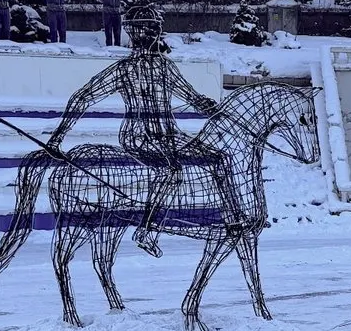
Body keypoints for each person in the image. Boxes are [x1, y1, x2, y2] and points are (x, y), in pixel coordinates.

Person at [43, 23, 236, 258]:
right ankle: (147, 230)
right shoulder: (123, 69)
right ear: (133, 33)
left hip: (170, 134)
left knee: (220, 158)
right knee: (171, 171)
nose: (150, 34)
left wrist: (208, 107)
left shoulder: (166, 66)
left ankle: (234, 219)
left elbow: (190, 95)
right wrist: (58, 137)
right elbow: (82, 97)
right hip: (138, 136)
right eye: (144, 30)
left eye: (154, 29)